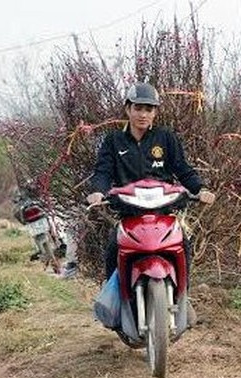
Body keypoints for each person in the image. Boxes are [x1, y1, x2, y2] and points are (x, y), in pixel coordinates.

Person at [87, 82, 215, 322]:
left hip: (164, 212)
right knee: (113, 247)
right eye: (138, 108)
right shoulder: (113, 141)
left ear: (155, 112)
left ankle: (182, 296)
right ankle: (113, 300)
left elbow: (183, 170)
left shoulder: (165, 138)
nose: (143, 114)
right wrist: (97, 192)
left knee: (183, 244)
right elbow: (102, 172)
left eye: (149, 109)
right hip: (129, 213)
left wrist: (201, 189)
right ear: (128, 109)